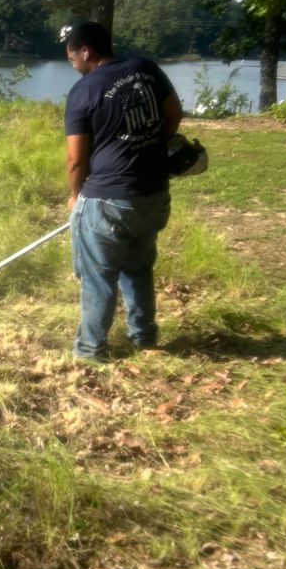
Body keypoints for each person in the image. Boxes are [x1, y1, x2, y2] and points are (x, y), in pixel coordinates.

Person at [63, 21, 183, 361]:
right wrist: (145, 147)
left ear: (85, 51)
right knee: (138, 267)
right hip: (154, 193)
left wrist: (75, 195)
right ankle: (144, 338)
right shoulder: (145, 68)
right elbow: (173, 115)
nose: (73, 66)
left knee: (98, 278)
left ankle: (90, 350)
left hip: (107, 201)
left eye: (72, 59)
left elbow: (75, 161)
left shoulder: (83, 91)